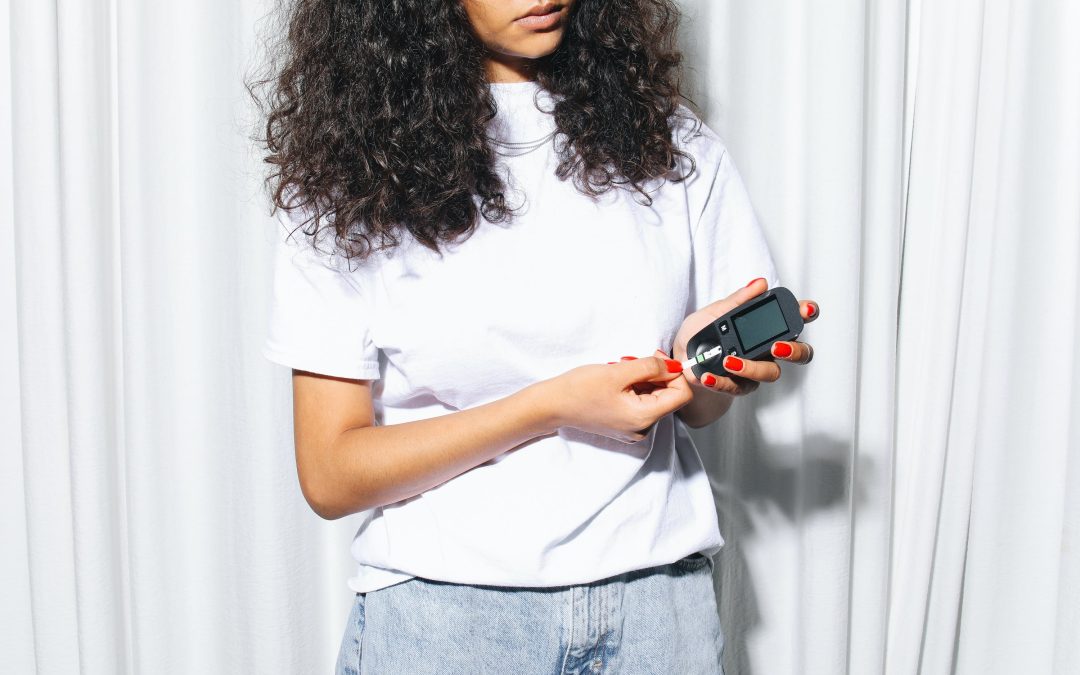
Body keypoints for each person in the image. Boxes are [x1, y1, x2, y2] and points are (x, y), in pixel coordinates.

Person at [252, 0, 819, 672]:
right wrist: (546, 407)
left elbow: (699, 404)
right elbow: (330, 471)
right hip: (447, 623)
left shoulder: (671, 142)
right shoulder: (354, 173)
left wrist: (699, 374)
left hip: (655, 614)